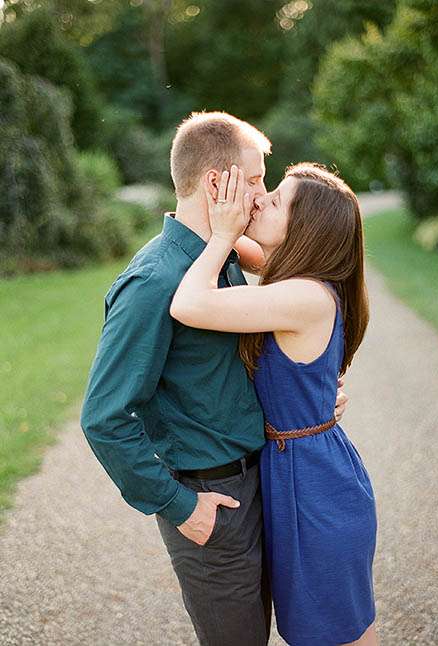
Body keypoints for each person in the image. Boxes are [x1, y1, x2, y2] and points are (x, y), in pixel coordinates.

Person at [80, 112, 348, 645]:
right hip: (210, 499)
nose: (261, 194)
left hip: (262, 479)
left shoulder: (218, 257)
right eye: (252, 180)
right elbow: (104, 417)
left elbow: (239, 363)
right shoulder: (154, 282)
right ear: (215, 183)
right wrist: (180, 507)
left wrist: (311, 399)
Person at [170, 162, 377, 646]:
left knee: (334, 629)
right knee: (322, 625)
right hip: (299, 470)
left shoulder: (304, 296)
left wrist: (221, 235)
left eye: (277, 199)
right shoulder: (301, 280)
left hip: (316, 485)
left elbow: (188, 305)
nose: (260, 199)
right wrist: (214, 209)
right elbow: (224, 236)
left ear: (304, 230)